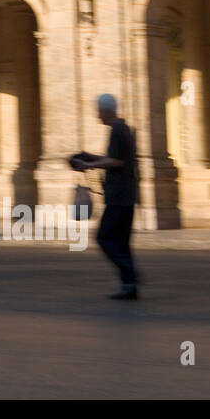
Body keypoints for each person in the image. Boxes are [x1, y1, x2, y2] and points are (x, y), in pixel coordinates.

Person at [72, 94, 140, 300]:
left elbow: (118, 162)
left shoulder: (118, 130)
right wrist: (91, 157)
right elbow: (116, 158)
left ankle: (131, 274)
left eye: (98, 110)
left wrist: (88, 165)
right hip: (124, 196)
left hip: (119, 197)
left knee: (104, 237)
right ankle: (129, 286)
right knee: (121, 242)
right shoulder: (121, 129)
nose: (97, 115)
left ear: (106, 110)